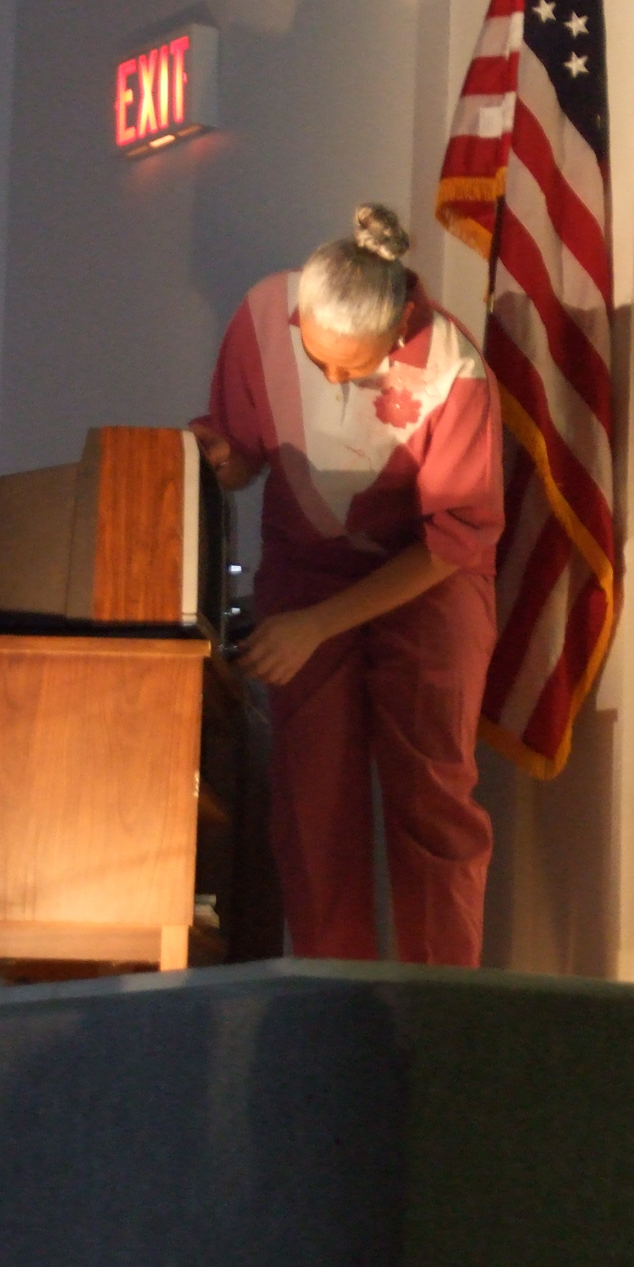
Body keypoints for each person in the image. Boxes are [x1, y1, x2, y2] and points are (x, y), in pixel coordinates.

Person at [191, 204, 503, 966]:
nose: (331, 379)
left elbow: (453, 542)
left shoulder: (456, 370)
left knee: (431, 793)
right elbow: (244, 449)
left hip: (426, 577)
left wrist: (318, 625)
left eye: (350, 369)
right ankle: (332, 995)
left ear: (395, 334)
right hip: (307, 564)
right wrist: (219, 460)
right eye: (318, 357)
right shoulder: (263, 317)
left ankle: (438, 1007)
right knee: (312, 803)